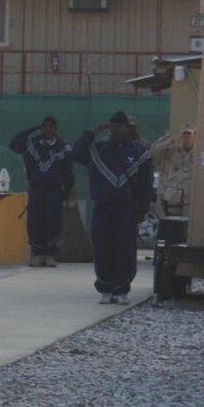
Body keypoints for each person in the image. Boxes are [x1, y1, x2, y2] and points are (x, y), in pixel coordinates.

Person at [70, 112, 152, 303]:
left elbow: (145, 183)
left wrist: (142, 208)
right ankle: (105, 287)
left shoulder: (140, 151)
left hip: (126, 208)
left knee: (125, 249)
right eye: (114, 127)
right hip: (103, 206)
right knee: (102, 248)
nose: (118, 131)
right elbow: (75, 154)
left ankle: (121, 289)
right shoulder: (98, 149)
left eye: (121, 127)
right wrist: (92, 132)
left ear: (128, 129)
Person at [6, 116, 72, 267]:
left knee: (53, 221)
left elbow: (68, 171)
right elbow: (14, 144)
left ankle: (49, 254)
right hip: (36, 188)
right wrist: (32, 129)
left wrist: (68, 192)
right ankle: (37, 253)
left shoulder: (62, 147)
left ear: (55, 129)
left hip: (54, 189)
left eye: (50, 127)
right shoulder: (32, 144)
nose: (46, 129)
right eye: (44, 126)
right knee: (35, 221)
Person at [147, 124, 196, 221]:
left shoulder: (199, 152)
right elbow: (151, 155)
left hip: (190, 199)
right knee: (171, 227)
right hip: (171, 198)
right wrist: (167, 141)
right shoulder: (171, 150)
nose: (186, 136)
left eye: (189, 134)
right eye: (184, 134)